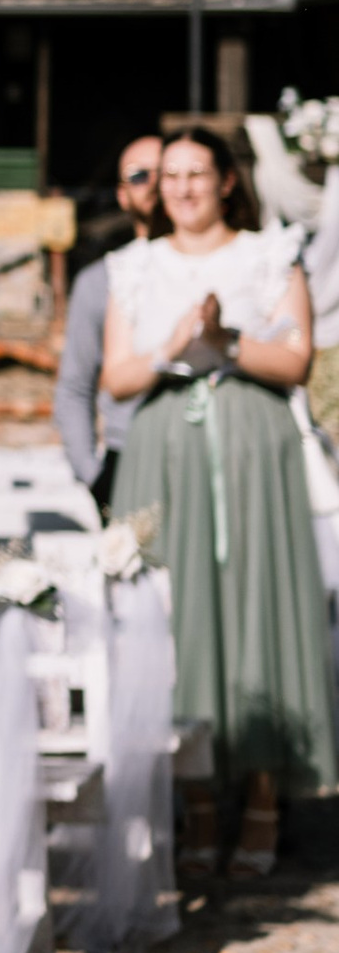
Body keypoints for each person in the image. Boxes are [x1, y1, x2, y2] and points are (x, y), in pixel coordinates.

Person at [100, 122, 336, 883]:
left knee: (259, 612)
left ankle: (264, 800)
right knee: (181, 620)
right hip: (166, 449)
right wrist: (173, 344)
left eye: (198, 174)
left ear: (226, 180)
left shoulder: (269, 254)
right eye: (169, 177)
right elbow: (117, 376)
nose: (183, 189)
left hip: (251, 448)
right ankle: (198, 805)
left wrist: (226, 339)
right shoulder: (132, 268)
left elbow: (296, 359)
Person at [54, 128, 164, 498]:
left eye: (165, 171)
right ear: (122, 194)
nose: (155, 183)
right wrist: (92, 474)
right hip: (128, 456)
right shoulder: (100, 281)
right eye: (139, 175)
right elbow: (75, 387)